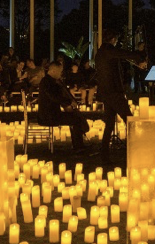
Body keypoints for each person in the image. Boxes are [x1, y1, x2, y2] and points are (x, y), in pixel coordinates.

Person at [94, 30, 146, 164]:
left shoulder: (100, 52)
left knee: (110, 124)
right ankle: (137, 151)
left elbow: (121, 57)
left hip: (107, 93)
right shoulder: (108, 50)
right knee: (129, 120)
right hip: (113, 93)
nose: (116, 43)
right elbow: (124, 54)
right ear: (112, 40)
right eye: (115, 40)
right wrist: (140, 56)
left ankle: (104, 156)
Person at [38, 62, 89, 151]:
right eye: (60, 71)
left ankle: (78, 145)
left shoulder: (50, 81)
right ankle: (78, 146)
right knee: (76, 120)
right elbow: (53, 96)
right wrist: (68, 101)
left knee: (75, 118)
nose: (61, 73)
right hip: (49, 116)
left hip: (52, 114)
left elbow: (57, 96)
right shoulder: (46, 82)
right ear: (53, 71)